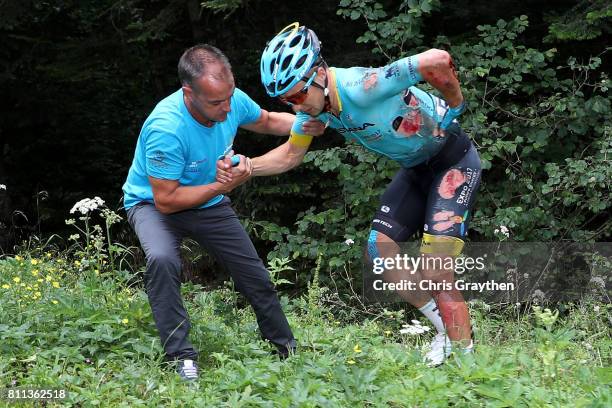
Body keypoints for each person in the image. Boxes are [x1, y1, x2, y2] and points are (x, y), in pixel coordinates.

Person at [218, 23, 482, 366]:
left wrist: (455, 103)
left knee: (436, 268)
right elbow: (290, 155)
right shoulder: (315, 108)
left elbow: (436, 59)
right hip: (417, 169)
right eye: (286, 100)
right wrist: (248, 168)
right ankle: (445, 332)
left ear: (319, 74)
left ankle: (467, 364)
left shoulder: (360, 86)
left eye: (297, 95)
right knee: (380, 248)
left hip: (453, 162)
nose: (295, 106)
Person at [122, 44, 324, 381]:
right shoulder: (166, 128)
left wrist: (308, 121)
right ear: (189, 92)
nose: (227, 108)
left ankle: (285, 348)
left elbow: (269, 120)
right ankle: (181, 358)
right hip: (154, 205)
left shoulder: (229, 99)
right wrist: (222, 186)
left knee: (254, 274)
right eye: (216, 102)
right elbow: (167, 201)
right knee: (162, 259)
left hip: (210, 202)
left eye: (229, 97)